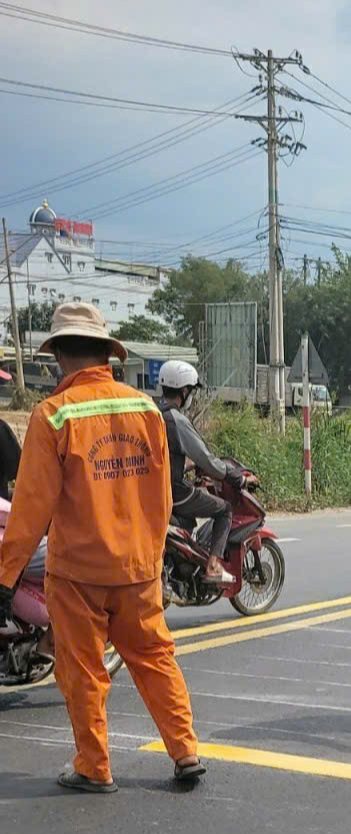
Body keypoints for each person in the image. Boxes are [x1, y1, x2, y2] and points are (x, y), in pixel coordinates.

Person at [0, 302, 203, 793]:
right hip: (137, 569)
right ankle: (185, 751)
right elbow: (162, 496)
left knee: (83, 671)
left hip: (78, 575)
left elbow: (30, 510)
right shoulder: (145, 410)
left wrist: (5, 579)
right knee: (155, 658)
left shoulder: (53, 415)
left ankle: (94, 767)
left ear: (58, 356)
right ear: (107, 353)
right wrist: (150, 556)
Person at [156, 360, 250, 585]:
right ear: (184, 391)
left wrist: (187, 466)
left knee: (190, 518)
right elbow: (206, 459)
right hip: (174, 492)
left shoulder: (153, 414)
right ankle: (213, 566)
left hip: (153, 490)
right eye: (191, 391)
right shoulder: (177, 421)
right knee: (224, 510)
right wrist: (233, 476)